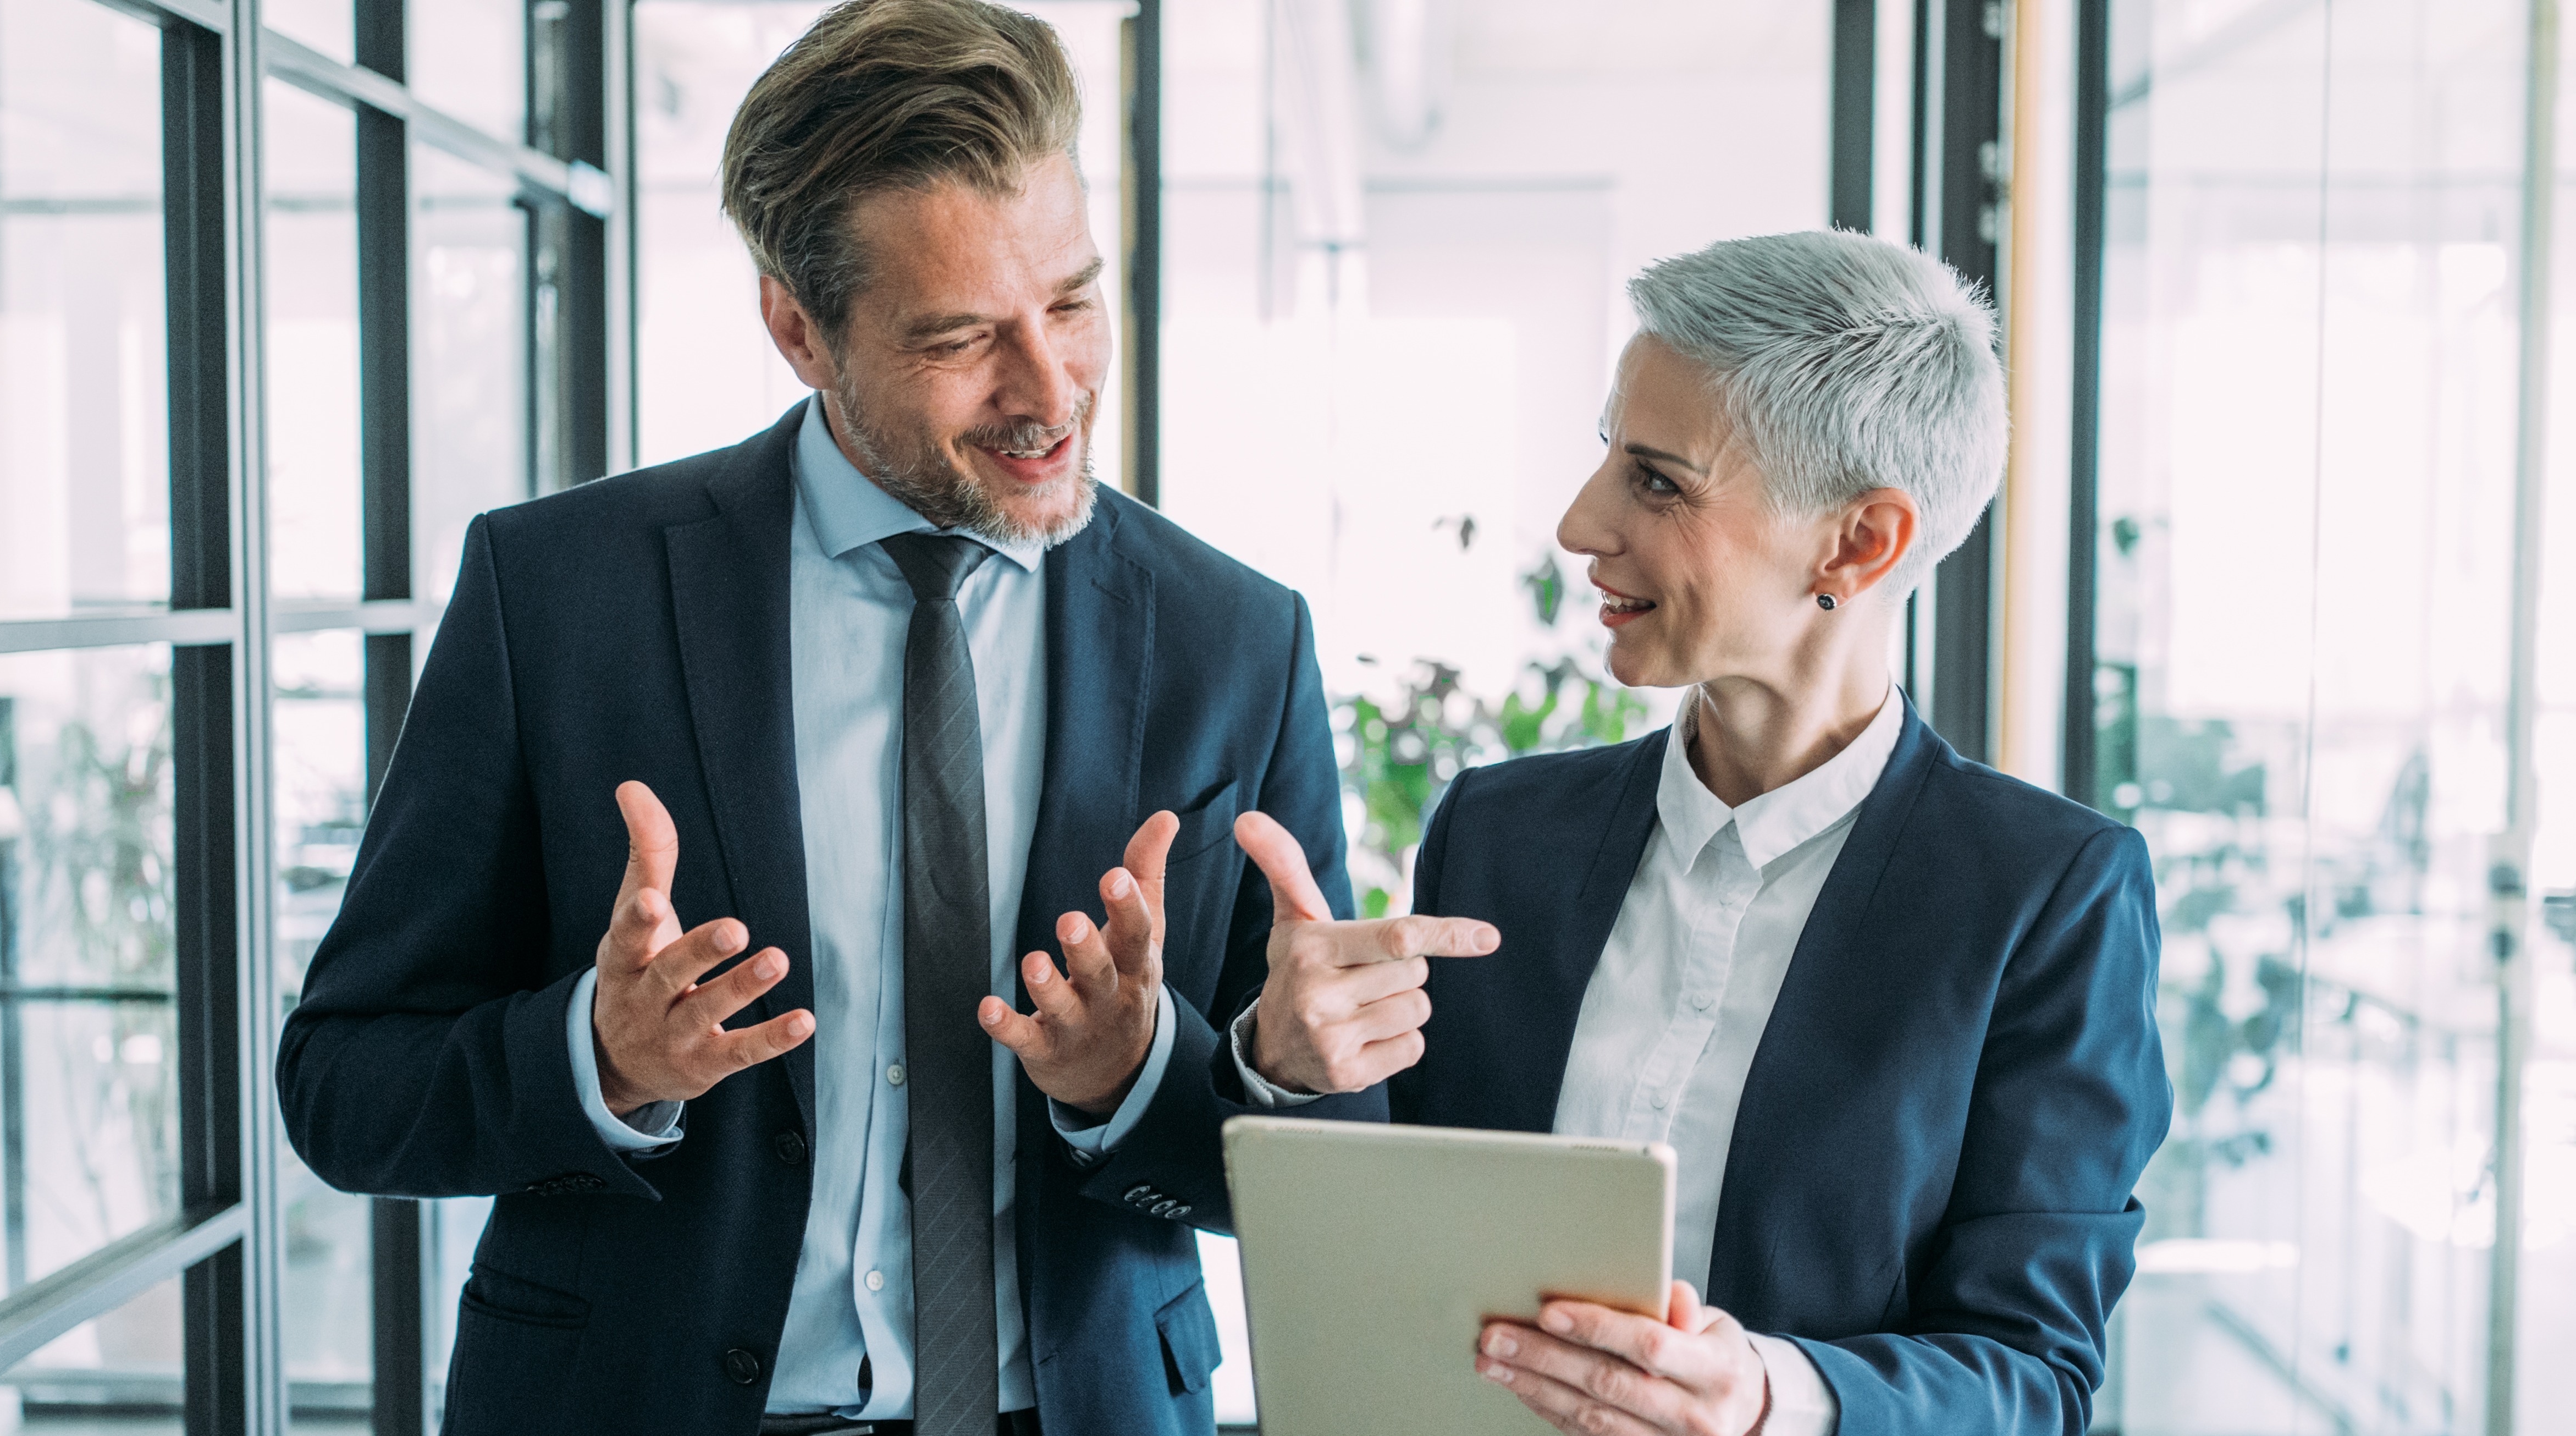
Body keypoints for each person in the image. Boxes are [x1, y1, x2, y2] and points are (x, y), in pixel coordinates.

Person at [274, 3, 1383, 1432]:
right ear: (799, 327)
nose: (1050, 390)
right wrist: (599, 1059)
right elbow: (346, 1083)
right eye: (963, 337)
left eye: (1071, 299)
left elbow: (1336, 1171)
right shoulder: (556, 593)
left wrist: (1145, 1079)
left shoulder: (1238, 639)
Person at [1229, 231, 2174, 1436]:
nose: (1581, 524)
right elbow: (1389, 1244)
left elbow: (2034, 1376)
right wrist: (1290, 1065)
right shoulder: (1498, 835)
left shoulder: (2049, 897)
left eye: (1659, 481)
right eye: (1607, 459)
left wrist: (1773, 1397)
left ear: (1859, 542)